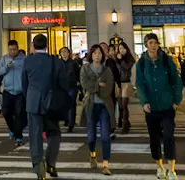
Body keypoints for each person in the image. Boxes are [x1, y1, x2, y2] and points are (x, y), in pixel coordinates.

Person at [135, 33, 182, 180]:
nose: (153, 45)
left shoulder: (167, 60)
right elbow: (140, 84)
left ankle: (172, 169)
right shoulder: (141, 63)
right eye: (150, 43)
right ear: (146, 45)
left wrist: (176, 100)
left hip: (167, 104)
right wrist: (144, 101)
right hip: (151, 107)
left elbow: (176, 81)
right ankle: (159, 167)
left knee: (169, 136)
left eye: (155, 42)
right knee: (154, 138)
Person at [22, 33, 66, 180]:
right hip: (51, 102)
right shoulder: (55, 61)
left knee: (35, 136)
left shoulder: (28, 61)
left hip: (33, 101)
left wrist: (28, 97)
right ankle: (51, 163)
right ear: (47, 45)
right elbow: (63, 83)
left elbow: (24, 84)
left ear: (33, 45)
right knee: (54, 133)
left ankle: (39, 167)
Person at [81, 44, 115, 176]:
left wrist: (96, 88)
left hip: (104, 105)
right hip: (91, 105)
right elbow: (85, 84)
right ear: (91, 54)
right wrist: (98, 85)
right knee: (91, 136)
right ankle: (92, 154)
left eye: (99, 53)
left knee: (106, 136)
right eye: (95, 53)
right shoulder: (85, 68)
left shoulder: (107, 70)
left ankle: (106, 164)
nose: (97, 55)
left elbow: (109, 87)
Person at [0, 39, 26, 145]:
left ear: (17, 48)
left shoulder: (24, 59)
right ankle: (13, 129)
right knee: (6, 112)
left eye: (14, 49)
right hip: (8, 90)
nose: (12, 51)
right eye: (10, 49)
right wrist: (6, 67)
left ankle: (18, 136)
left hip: (19, 91)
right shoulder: (4, 58)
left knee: (19, 113)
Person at [58, 47, 80, 132]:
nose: (64, 53)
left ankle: (71, 123)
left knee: (71, 104)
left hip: (72, 86)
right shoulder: (58, 63)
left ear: (69, 53)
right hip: (62, 87)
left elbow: (78, 72)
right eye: (62, 52)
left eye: (65, 52)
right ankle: (66, 120)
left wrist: (78, 83)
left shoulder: (73, 62)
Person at [116, 41, 136, 133]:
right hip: (118, 83)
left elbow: (127, 68)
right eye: (120, 48)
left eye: (123, 48)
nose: (121, 50)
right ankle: (122, 121)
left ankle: (125, 126)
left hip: (126, 83)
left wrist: (121, 60)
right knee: (120, 105)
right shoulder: (116, 58)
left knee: (124, 105)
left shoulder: (130, 58)